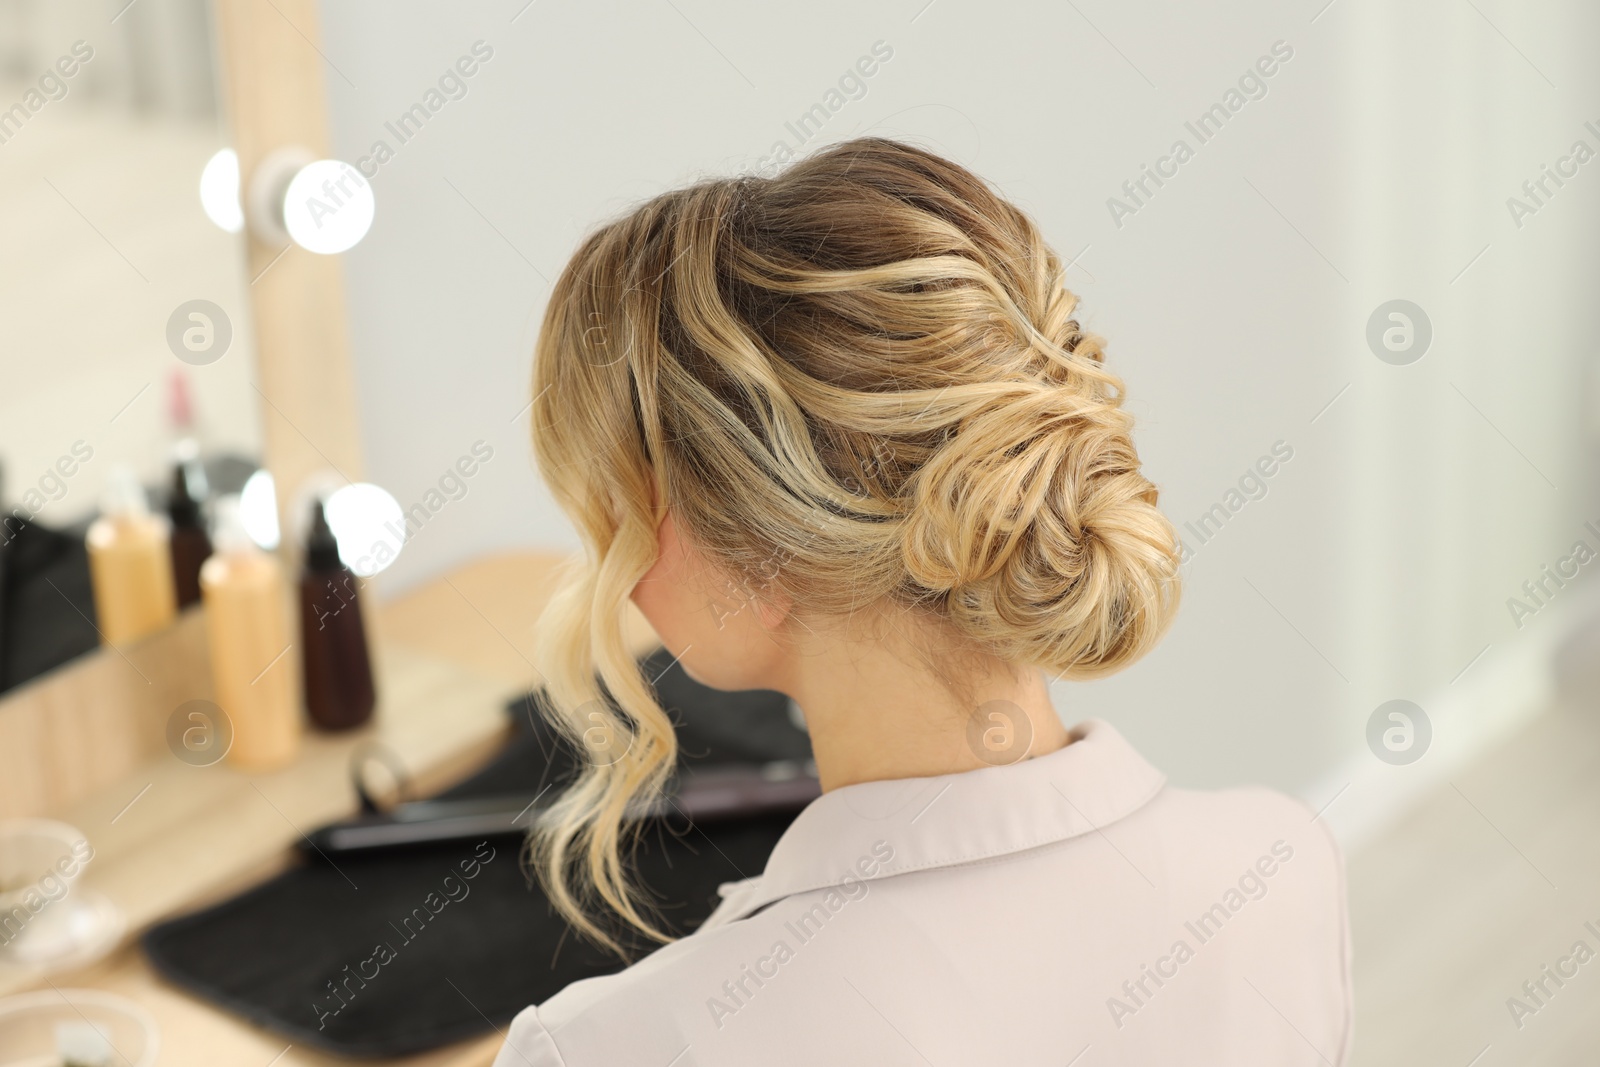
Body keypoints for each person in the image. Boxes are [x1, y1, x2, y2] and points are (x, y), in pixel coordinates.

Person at [495, 137, 1350, 1066]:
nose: (610, 568)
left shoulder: (613, 1047)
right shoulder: (1280, 864)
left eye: (617, 509)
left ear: (757, 553)